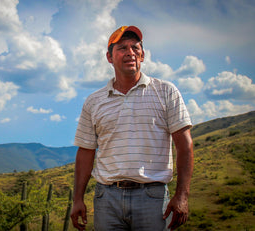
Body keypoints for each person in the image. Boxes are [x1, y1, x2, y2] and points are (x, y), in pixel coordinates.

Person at [71, 25, 194, 231]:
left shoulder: (166, 92)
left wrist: (182, 196)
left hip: (152, 198)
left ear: (142, 55)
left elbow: (185, 145)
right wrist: (77, 199)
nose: (130, 53)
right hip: (106, 198)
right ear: (109, 57)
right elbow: (85, 151)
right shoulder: (94, 102)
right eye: (122, 48)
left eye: (135, 48)